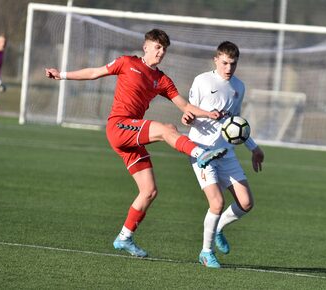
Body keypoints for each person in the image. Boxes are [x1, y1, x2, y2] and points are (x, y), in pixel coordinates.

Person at [45, 29, 227, 258]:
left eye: (164, 49)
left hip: (131, 135)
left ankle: (124, 237)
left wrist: (208, 114)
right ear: (146, 46)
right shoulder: (126, 62)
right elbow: (94, 72)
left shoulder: (161, 79)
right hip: (119, 126)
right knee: (164, 129)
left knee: (149, 191)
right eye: (157, 47)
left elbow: (185, 106)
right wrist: (60, 74)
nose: (161, 53)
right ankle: (199, 153)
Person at [181, 41, 264, 268]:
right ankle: (206, 252)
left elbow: (235, 125)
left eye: (233, 64)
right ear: (216, 60)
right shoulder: (202, 81)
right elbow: (188, 110)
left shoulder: (239, 86)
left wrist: (254, 148)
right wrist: (190, 117)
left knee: (246, 203)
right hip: (202, 152)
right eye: (225, 63)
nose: (229, 68)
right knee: (216, 203)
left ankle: (217, 229)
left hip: (226, 153)